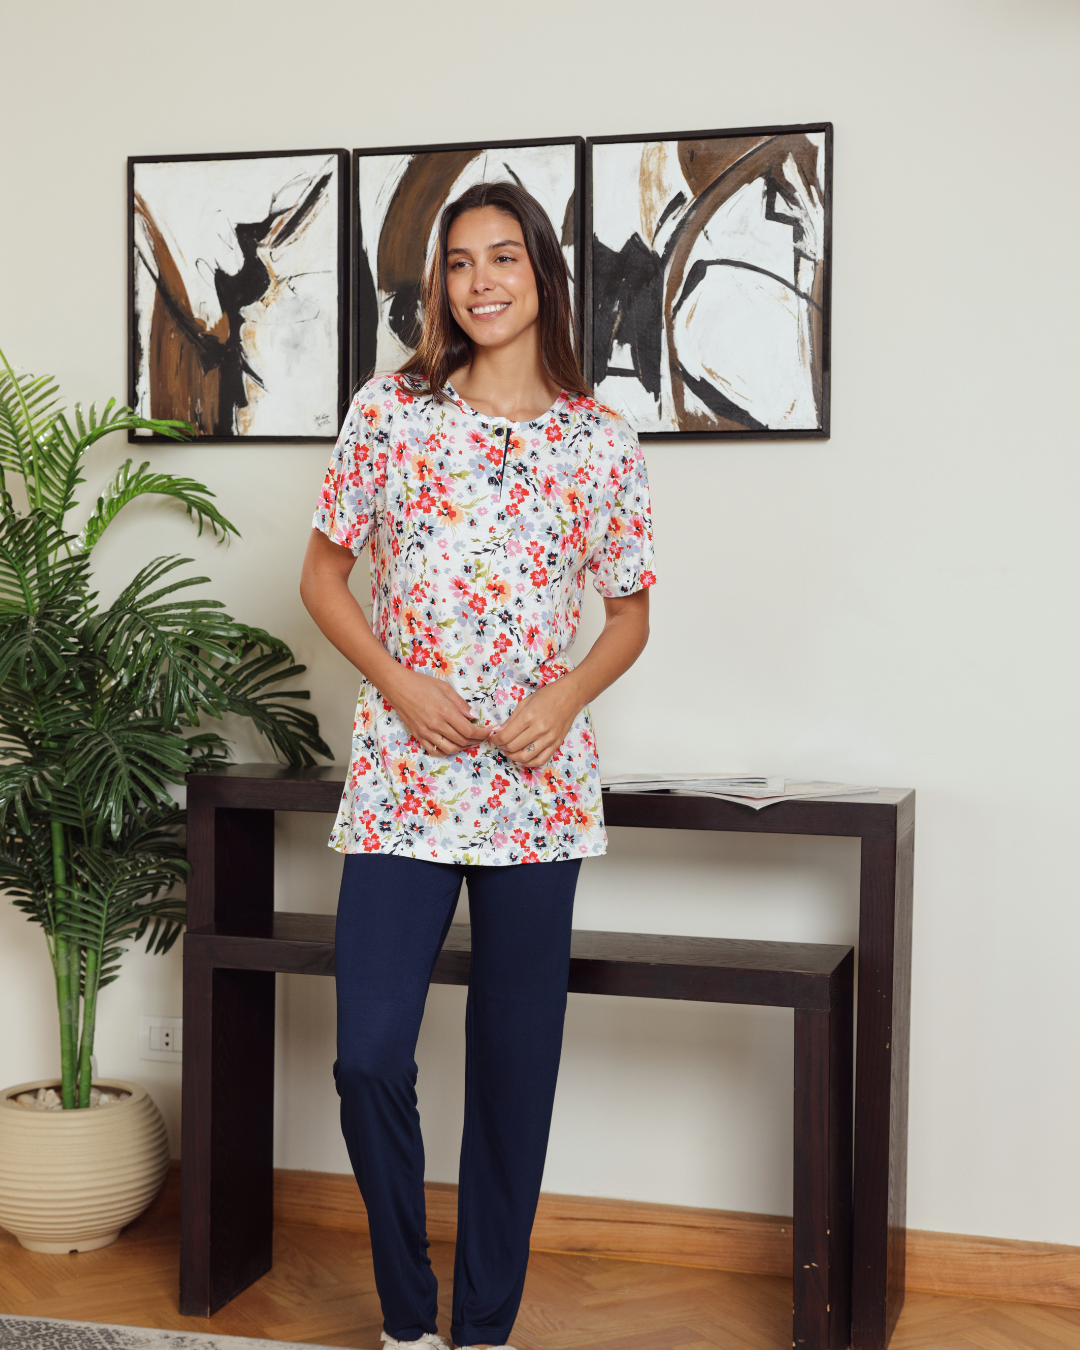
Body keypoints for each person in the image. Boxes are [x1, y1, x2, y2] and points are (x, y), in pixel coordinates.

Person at [300, 180, 655, 1350]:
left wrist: (564, 697)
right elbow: (322, 578)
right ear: (440, 285)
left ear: (543, 273)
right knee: (367, 1059)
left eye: (503, 257)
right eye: (458, 262)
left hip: (535, 792)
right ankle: (410, 1316)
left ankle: (485, 1330)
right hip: (404, 780)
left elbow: (628, 619)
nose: (480, 281)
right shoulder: (390, 412)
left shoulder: (600, 440)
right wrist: (399, 683)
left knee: (513, 1073)